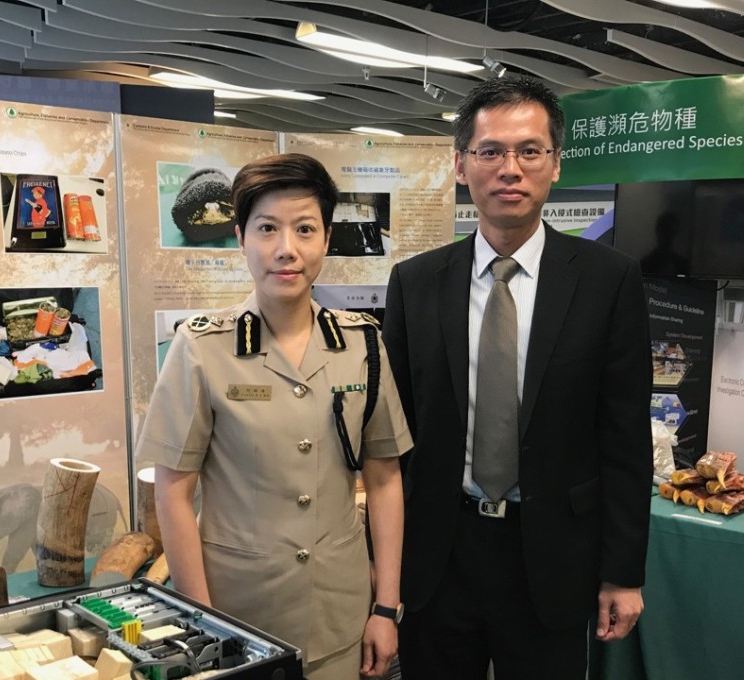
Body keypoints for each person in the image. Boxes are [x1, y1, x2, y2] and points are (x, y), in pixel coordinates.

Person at [382, 77, 653, 679]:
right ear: (460, 164)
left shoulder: (608, 282)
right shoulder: (416, 283)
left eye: (530, 151)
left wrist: (623, 573)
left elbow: (627, 440)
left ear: (556, 165)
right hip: (439, 554)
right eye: (491, 151)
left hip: (554, 554)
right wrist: (384, 573)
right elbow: (395, 439)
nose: (511, 168)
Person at [135, 153, 410, 680]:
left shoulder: (362, 345)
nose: (287, 249)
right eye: (267, 228)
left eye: (305, 229)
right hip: (238, 619)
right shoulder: (201, 347)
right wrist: (203, 624)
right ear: (241, 237)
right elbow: (172, 491)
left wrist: (385, 607)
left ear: (327, 239)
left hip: (340, 614)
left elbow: (384, 478)